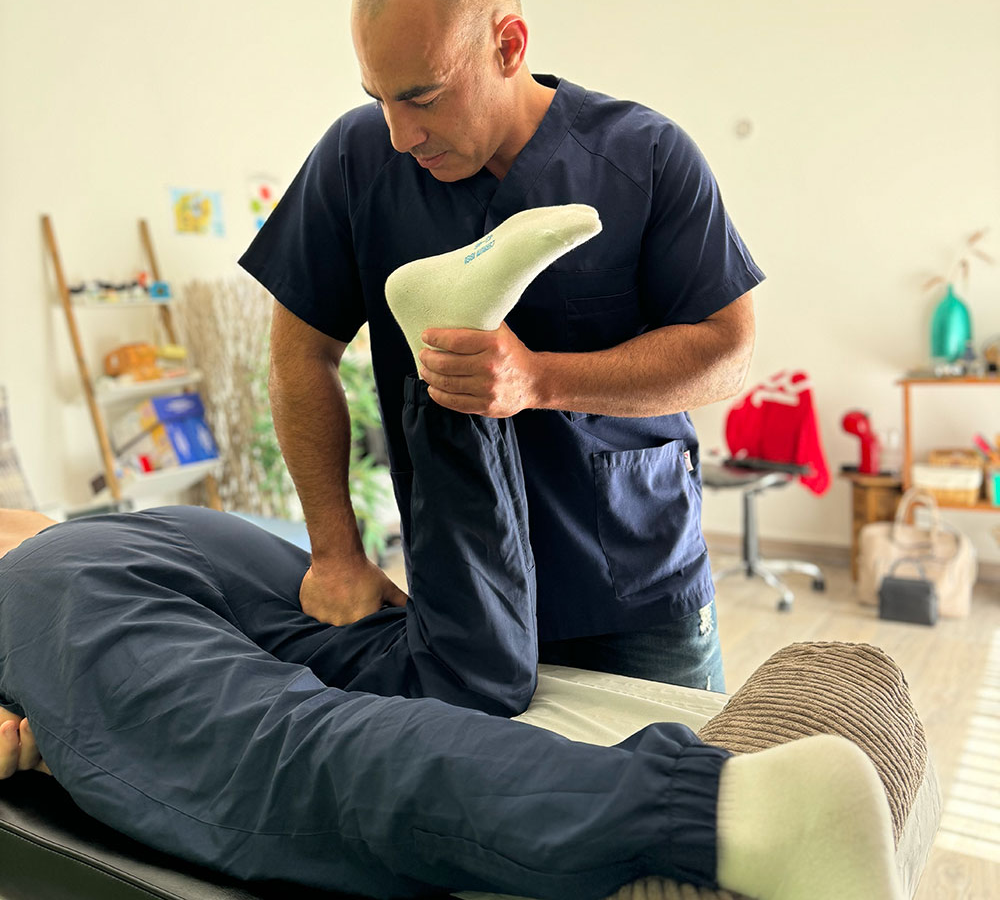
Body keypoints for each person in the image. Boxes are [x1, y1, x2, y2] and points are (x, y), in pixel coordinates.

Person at [0, 384, 901, 900]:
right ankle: (455, 392)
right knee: (447, 671)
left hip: (51, 581)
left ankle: (728, 812)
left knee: (281, 752)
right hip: (161, 535)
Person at [238, 0, 764, 689]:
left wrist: (540, 380)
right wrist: (336, 553)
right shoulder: (355, 161)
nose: (400, 134)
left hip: (638, 592)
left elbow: (730, 351)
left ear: (509, 45)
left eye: (423, 97)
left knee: (673, 767)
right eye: (378, 98)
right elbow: (298, 356)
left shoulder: (645, 156)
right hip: (460, 597)